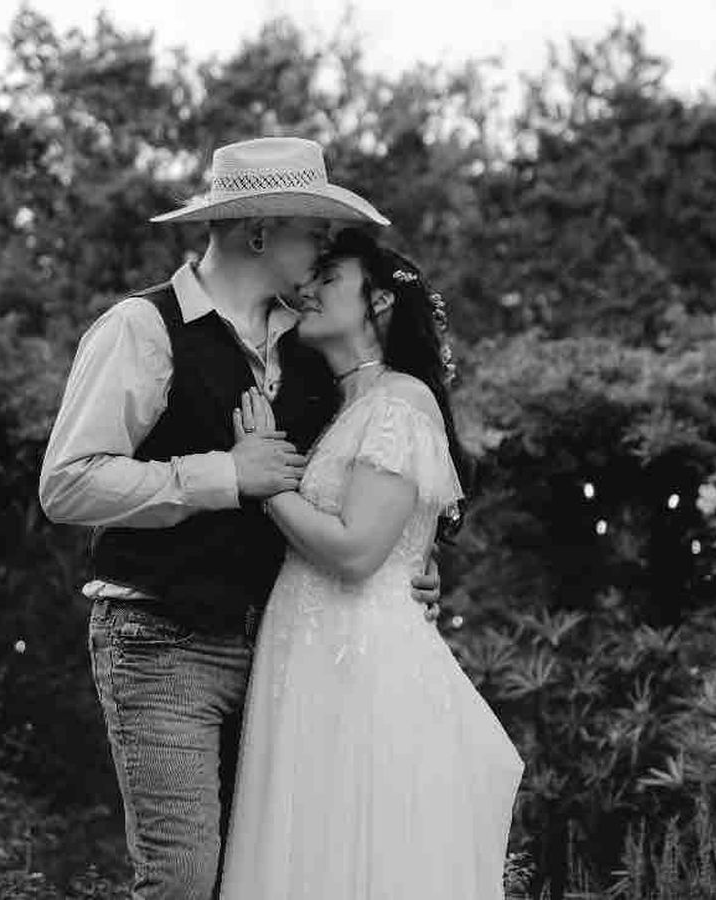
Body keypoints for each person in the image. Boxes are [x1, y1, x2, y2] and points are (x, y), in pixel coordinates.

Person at [38, 137, 442, 900]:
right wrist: (226, 474)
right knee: (184, 879)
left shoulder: (313, 343)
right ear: (260, 232)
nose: (322, 251)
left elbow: (365, 476)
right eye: (313, 232)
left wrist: (409, 563)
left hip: (286, 654)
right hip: (162, 641)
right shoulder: (141, 329)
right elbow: (67, 484)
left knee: (262, 876)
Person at [218, 227, 525, 900]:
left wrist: (265, 482)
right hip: (313, 652)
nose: (309, 290)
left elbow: (358, 552)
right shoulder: (346, 405)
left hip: (359, 659)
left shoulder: (400, 401)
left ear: (380, 300)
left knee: (358, 849)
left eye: (330, 280)